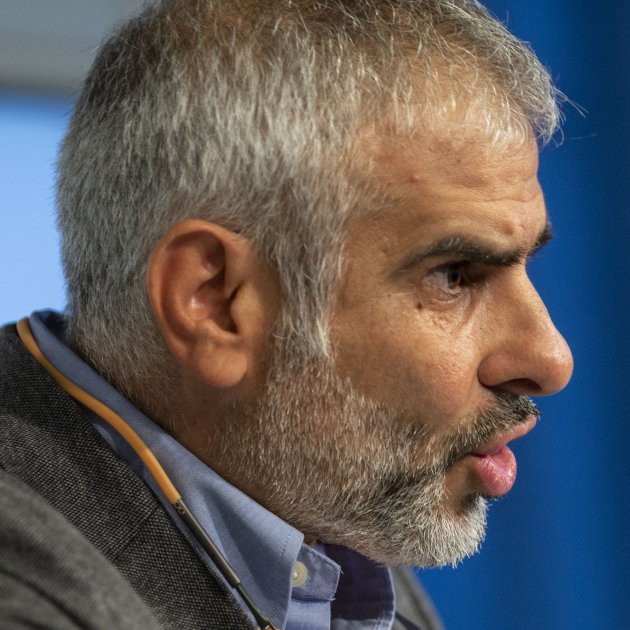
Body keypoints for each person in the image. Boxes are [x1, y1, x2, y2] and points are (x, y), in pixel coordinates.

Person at [0, 0, 574, 628]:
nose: (551, 359)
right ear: (215, 303)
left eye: (527, 264)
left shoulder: (319, 522)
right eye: (454, 276)